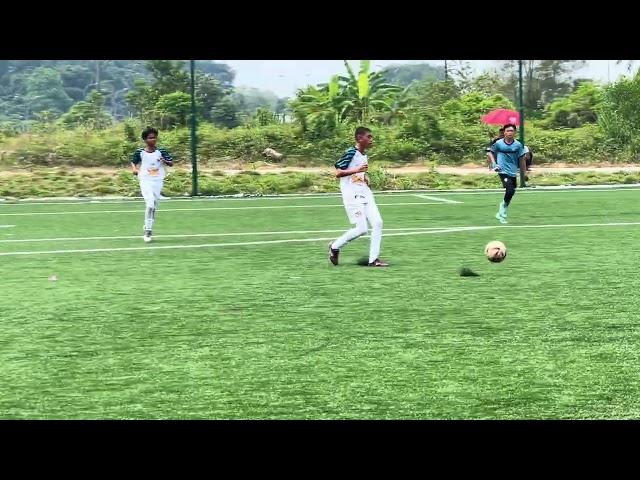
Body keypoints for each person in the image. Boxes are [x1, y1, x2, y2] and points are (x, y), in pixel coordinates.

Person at [328, 126, 388, 267]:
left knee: (378, 223)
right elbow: (338, 172)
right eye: (369, 137)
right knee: (362, 229)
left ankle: (373, 260)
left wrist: (365, 177)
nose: (371, 140)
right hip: (352, 194)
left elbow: (358, 173)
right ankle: (334, 247)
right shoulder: (351, 152)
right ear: (360, 138)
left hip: (365, 192)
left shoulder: (364, 155)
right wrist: (357, 170)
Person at [130, 127, 174, 243]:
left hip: (158, 180)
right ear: (145, 139)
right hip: (145, 180)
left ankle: (148, 226)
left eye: (154, 137)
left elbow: (171, 163)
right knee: (149, 204)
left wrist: (164, 161)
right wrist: (134, 169)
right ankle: (148, 231)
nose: (153, 139)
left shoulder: (161, 151)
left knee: (153, 205)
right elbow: (133, 162)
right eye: (150, 138)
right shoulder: (140, 152)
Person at [488, 124, 526, 224]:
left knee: (512, 191)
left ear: (515, 133)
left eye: (511, 131)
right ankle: (503, 210)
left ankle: (502, 207)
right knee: (509, 189)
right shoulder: (499, 143)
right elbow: (490, 153)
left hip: (512, 171)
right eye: (507, 131)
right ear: (504, 132)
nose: (509, 133)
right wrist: (494, 164)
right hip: (502, 170)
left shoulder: (518, 145)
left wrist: (524, 173)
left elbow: (522, 160)